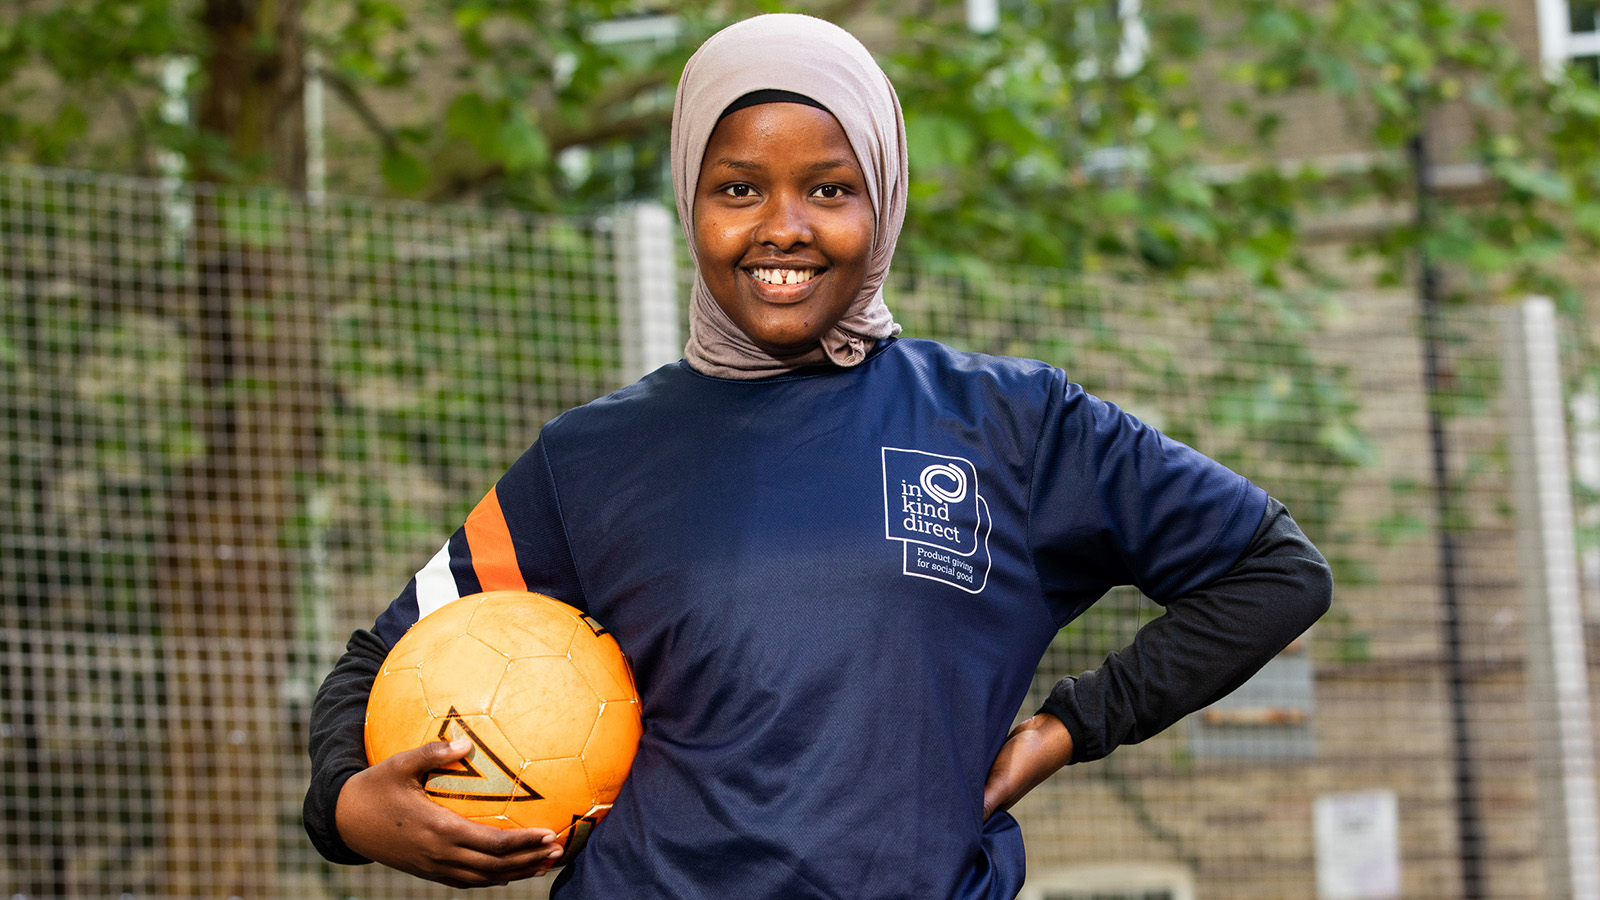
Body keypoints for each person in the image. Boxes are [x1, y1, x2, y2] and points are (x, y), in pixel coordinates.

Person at [304, 13, 1332, 899]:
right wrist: (347, 809)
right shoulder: (591, 460)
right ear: (689, 200)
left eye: (829, 190)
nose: (782, 229)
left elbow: (1273, 573)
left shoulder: (1011, 424)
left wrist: (1066, 729)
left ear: (881, 197)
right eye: (738, 189)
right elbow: (375, 665)